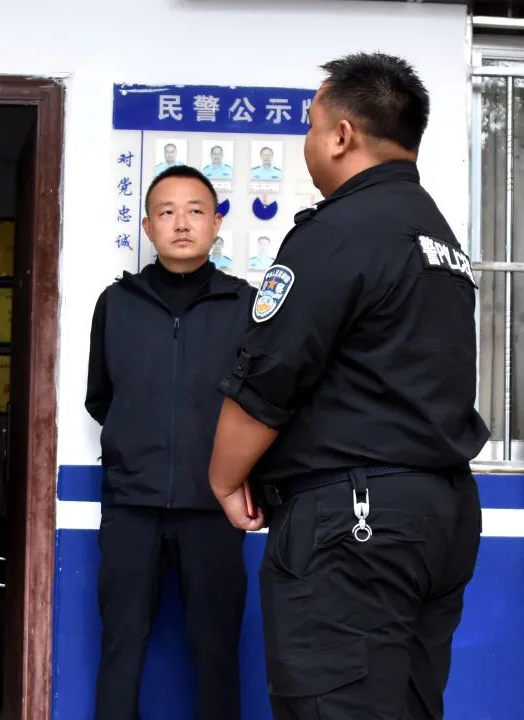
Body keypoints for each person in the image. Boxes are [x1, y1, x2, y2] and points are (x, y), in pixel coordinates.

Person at [208, 53, 489, 719]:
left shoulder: (337, 232)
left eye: (312, 124)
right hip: (440, 515)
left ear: (342, 135)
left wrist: (223, 479)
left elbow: (269, 376)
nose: (307, 140)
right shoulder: (438, 237)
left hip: (355, 523)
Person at [87, 165, 254, 720]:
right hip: (132, 506)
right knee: (121, 647)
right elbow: (101, 397)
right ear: (148, 226)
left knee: (216, 653)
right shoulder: (117, 303)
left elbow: (260, 403)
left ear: (216, 223)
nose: (181, 224)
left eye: (195, 211)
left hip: (214, 508)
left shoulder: (244, 306)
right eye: (166, 212)